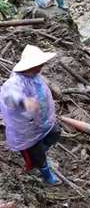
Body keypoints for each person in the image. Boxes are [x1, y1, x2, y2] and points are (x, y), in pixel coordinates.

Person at [0, 45, 61, 185]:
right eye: (41, 63)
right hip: (26, 129)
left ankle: (35, 152)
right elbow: (8, 98)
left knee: (55, 133)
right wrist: (24, 102)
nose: (43, 65)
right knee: (39, 156)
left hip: (42, 121)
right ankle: (47, 175)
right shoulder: (16, 81)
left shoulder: (35, 76)